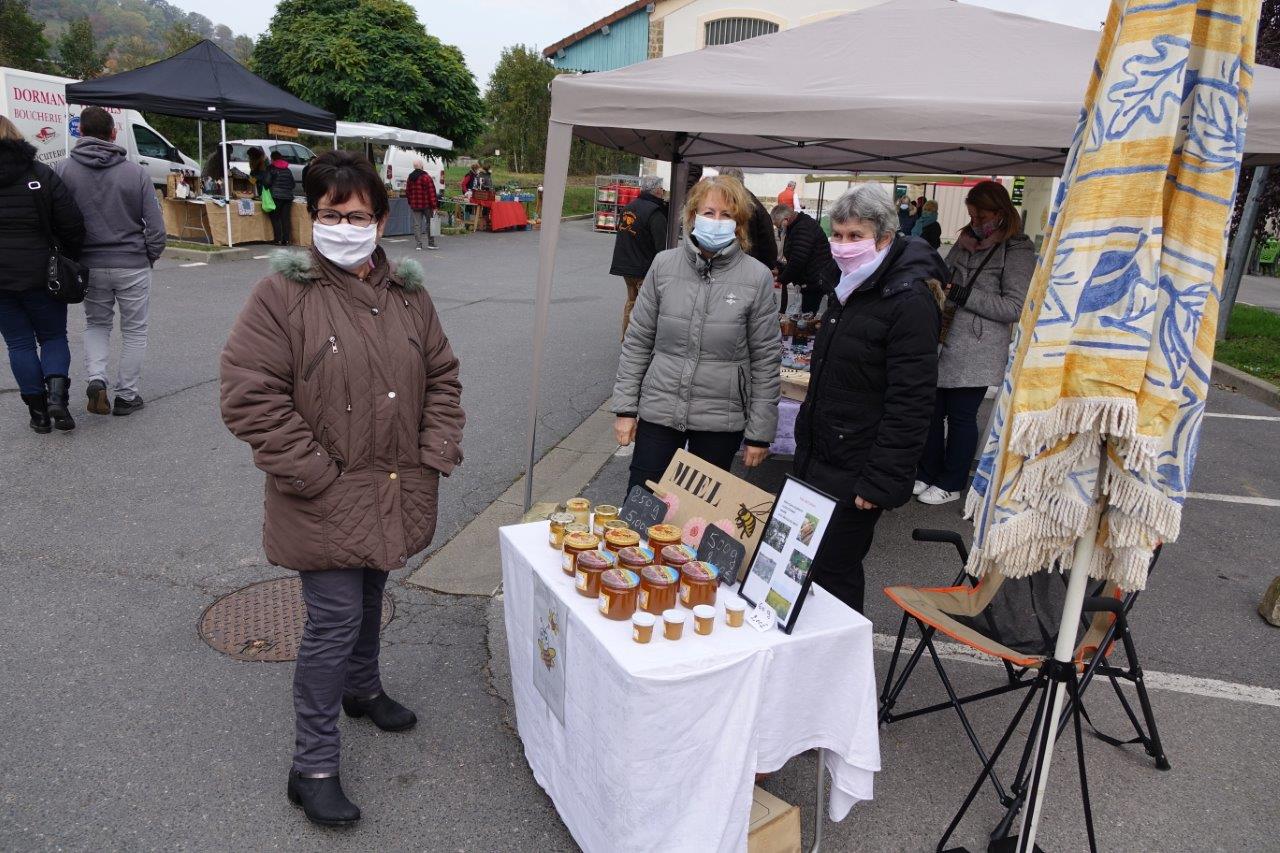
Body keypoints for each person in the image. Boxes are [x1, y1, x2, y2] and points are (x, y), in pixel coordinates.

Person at [219, 150, 464, 827]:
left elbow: (442, 376)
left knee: (373, 587)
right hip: (322, 493)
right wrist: (316, 473)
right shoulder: (282, 294)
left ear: (383, 221)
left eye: (356, 215)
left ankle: (363, 688)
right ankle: (313, 764)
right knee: (331, 622)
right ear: (313, 216)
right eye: (329, 213)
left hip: (395, 482)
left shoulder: (410, 294)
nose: (342, 225)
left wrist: (434, 449)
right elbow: (249, 396)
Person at [793, 184, 943, 613]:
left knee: (833, 570)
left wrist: (880, 480)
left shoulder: (907, 298)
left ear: (884, 237)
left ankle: (838, 667)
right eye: (837, 235)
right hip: (822, 453)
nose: (843, 246)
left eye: (855, 236)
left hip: (858, 463)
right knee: (806, 563)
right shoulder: (850, 286)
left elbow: (912, 402)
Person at [612, 175, 781, 494]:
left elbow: (766, 359)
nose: (716, 221)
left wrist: (759, 433)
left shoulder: (755, 277)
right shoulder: (663, 266)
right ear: (692, 216)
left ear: (739, 223)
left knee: (698, 522)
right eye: (709, 212)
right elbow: (637, 342)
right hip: (660, 410)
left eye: (726, 215)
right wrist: (625, 409)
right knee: (642, 507)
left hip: (720, 419)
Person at [916, 181, 1033, 506]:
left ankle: (951, 481)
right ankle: (927, 472)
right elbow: (943, 276)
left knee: (962, 417)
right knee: (930, 411)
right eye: (972, 215)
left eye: (982, 215)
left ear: (1000, 212)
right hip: (944, 338)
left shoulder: (1017, 248)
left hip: (979, 348)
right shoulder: (964, 241)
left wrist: (965, 295)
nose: (977, 221)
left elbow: (1015, 307)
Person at [56, 106, 166, 417]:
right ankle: (127, 395)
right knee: (134, 329)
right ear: (113, 133)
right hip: (131, 261)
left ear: (80, 132)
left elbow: (58, 221)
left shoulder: (64, 171)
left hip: (88, 263)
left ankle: (96, 378)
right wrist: (150, 254)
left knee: (97, 324)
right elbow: (155, 227)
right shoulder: (135, 172)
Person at [0, 115, 84, 433]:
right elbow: (72, 222)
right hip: (42, 271)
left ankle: (37, 414)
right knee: (52, 336)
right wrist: (68, 257)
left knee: (19, 344)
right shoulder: (39, 173)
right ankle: (57, 400)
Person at [609, 175, 668, 340]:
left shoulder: (629, 207)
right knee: (646, 308)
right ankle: (638, 343)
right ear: (657, 190)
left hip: (626, 265)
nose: (663, 192)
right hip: (644, 268)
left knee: (631, 302)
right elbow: (661, 247)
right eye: (662, 189)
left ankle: (626, 338)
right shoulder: (655, 212)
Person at [771, 203, 837, 315]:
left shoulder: (803, 228)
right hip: (811, 278)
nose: (779, 229)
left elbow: (798, 261)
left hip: (814, 282)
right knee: (804, 315)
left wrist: (782, 278)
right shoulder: (798, 225)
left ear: (786, 219)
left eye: (778, 225)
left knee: (807, 317)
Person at [718, 168, 778, 272]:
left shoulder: (733, 201)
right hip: (749, 266)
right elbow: (769, 244)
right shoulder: (754, 203)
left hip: (738, 266)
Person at [404, 158, 438, 251]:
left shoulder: (410, 177)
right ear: (422, 166)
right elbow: (432, 192)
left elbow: (407, 192)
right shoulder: (426, 177)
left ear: (414, 167)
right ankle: (431, 243)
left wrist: (411, 202)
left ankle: (418, 244)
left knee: (417, 225)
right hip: (427, 205)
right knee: (429, 223)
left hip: (415, 205)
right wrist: (434, 206)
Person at [264, 149, 296, 246]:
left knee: (275, 217)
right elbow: (293, 184)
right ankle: (286, 240)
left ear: (272, 159)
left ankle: (277, 239)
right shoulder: (288, 170)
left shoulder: (271, 168)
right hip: (288, 197)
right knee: (285, 218)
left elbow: (267, 183)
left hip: (276, 197)